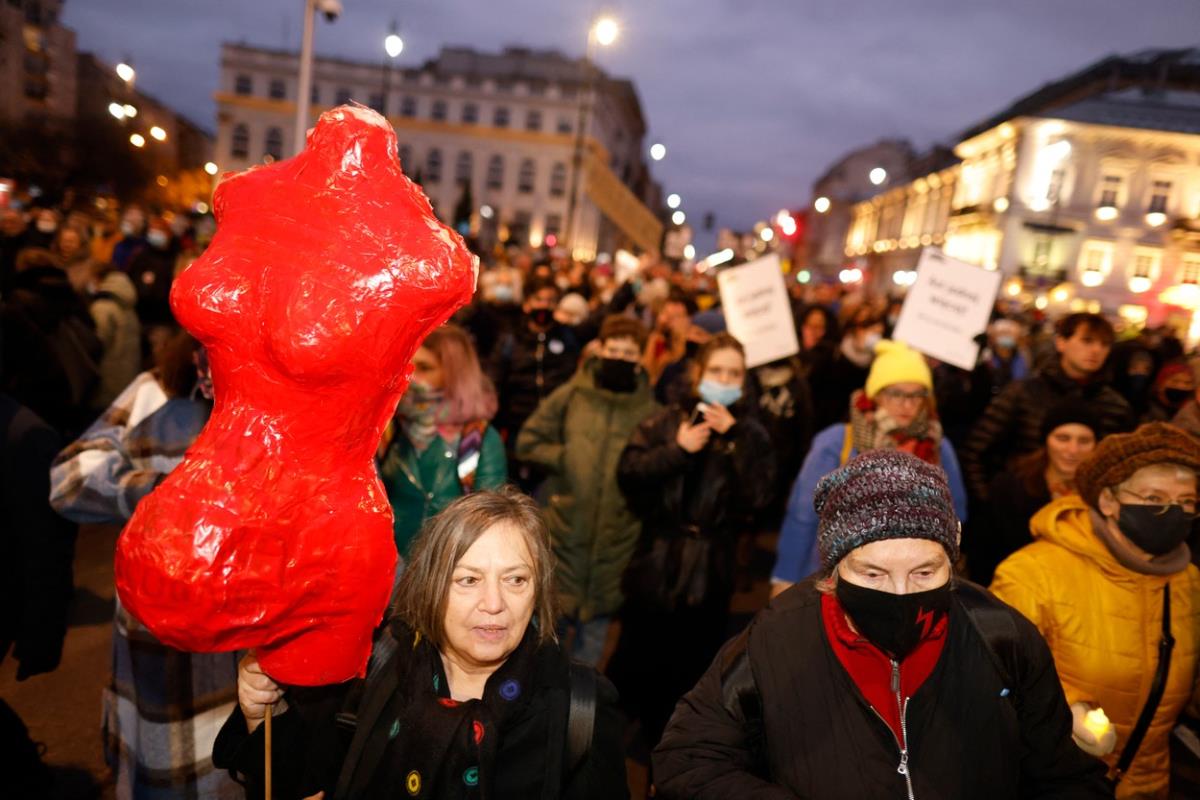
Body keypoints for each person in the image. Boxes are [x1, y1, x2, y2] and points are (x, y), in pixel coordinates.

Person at [653, 449, 1112, 799]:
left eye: (925, 572)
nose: (900, 594)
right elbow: (687, 761)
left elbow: (1063, 774)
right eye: (872, 574)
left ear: (953, 562)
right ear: (833, 572)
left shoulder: (1002, 636)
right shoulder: (775, 638)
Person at [213, 489, 629, 799]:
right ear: (431, 588)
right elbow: (301, 781)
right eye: (468, 580)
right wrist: (262, 716)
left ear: (538, 591)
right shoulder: (380, 670)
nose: (494, 604)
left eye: (515, 580)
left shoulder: (579, 708)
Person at [48, 331, 241, 800]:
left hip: (242, 649)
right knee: (167, 777)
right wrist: (163, 488)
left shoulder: (279, 405)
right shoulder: (155, 393)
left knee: (238, 771)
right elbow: (68, 480)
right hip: (162, 655)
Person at [991, 423, 1200, 798]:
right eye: (1154, 499)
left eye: (1186, 502)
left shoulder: (1189, 583)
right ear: (1108, 501)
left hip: (1151, 782)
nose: (1173, 512)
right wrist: (1071, 709)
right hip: (1060, 783)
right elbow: (995, 674)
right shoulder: (1032, 574)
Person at [609, 333, 774, 751]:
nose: (724, 379)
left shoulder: (751, 433)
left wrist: (734, 442)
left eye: (733, 373)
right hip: (658, 559)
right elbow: (628, 473)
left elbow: (759, 496)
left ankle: (671, 748)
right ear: (699, 373)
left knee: (694, 662)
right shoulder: (666, 421)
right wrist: (677, 450)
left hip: (710, 567)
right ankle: (623, 742)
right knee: (640, 655)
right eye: (716, 370)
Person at [515, 315, 658, 666]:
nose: (620, 357)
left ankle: (581, 716)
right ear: (601, 350)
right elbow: (528, 441)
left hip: (616, 538)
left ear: (640, 359)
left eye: (629, 352)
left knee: (590, 656)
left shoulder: (650, 410)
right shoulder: (573, 395)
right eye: (614, 349)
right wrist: (565, 458)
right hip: (566, 529)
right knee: (548, 645)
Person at [772, 339, 968, 588]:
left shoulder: (938, 446)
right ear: (875, 395)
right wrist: (785, 578)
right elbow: (803, 515)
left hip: (912, 582)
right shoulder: (837, 441)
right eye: (895, 393)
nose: (906, 404)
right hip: (836, 578)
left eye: (916, 395)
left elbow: (957, 514)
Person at [962, 312, 1135, 501]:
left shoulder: (1116, 406)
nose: (1096, 350)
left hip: (1082, 515)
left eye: (1104, 344)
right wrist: (990, 502)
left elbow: (1119, 469)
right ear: (1061, 342)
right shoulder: (1024, 392)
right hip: (1019, 505)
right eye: (1087, 341)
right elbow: (975, 452)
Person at [378, 324, 507, 560]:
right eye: (409, 365)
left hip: (448, 568)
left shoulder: (477, 440)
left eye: (426, 368)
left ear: (455, 374)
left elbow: (491, 519)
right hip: (390, 569)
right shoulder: (390, 427)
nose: (412, 377)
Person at [968, 402, 1099, 585]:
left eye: (1084, 441)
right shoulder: (1010, 488)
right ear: (1046, 439)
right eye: (1063, 438)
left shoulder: (1102, 496)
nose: (1072, 450)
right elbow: (983, 553)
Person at [489, 276, 581, 490]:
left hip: (552, 430)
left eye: (550, 301)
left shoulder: (566, 338)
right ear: (527, 303)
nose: (544, 306)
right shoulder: (510, 339)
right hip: (514, 428)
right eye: (539, 299)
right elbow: (496, 379)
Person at [808, 304, 884, 430]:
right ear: (853, 328)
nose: (871, 332)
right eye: (865, 325)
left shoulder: (880, 362)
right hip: (827, 427)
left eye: (876, 325)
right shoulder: (832, 354)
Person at [1142, 360, 1193, 424]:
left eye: (1187, 383)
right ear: (1160, 385)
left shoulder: (1190, 411)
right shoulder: (1149, 414)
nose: (1181, 387)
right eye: (1175, 381)